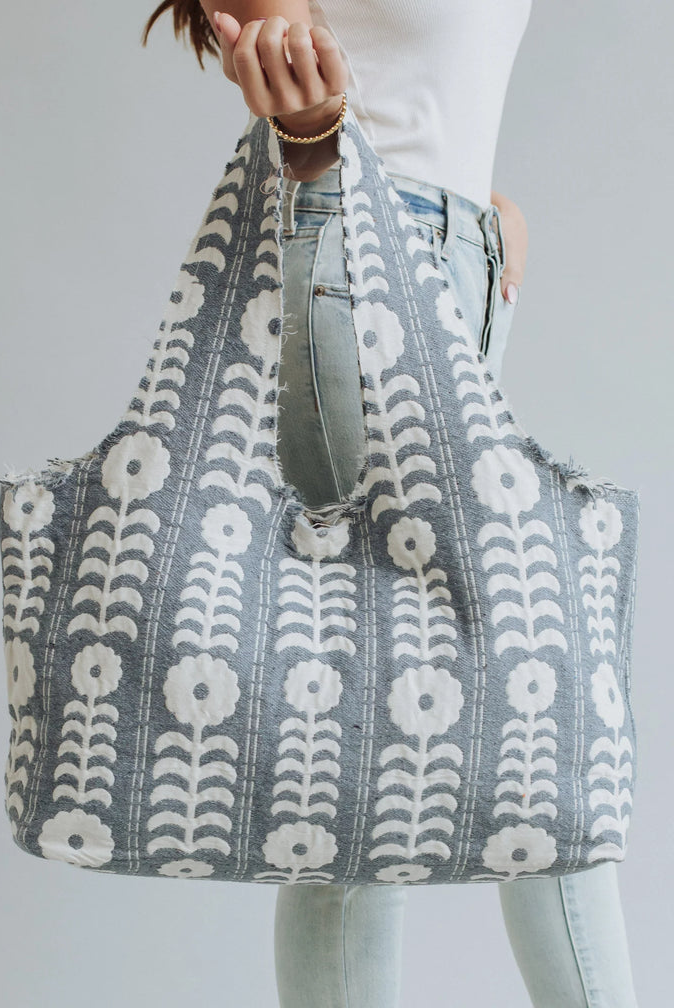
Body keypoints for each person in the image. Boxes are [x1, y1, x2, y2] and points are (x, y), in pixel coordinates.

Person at [142, 4, 640, 1006]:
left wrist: (480, 222)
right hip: (357, 253)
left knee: (432, 716)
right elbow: (294, 87)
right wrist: (343, 161)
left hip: (447, 256)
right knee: (447, 710)